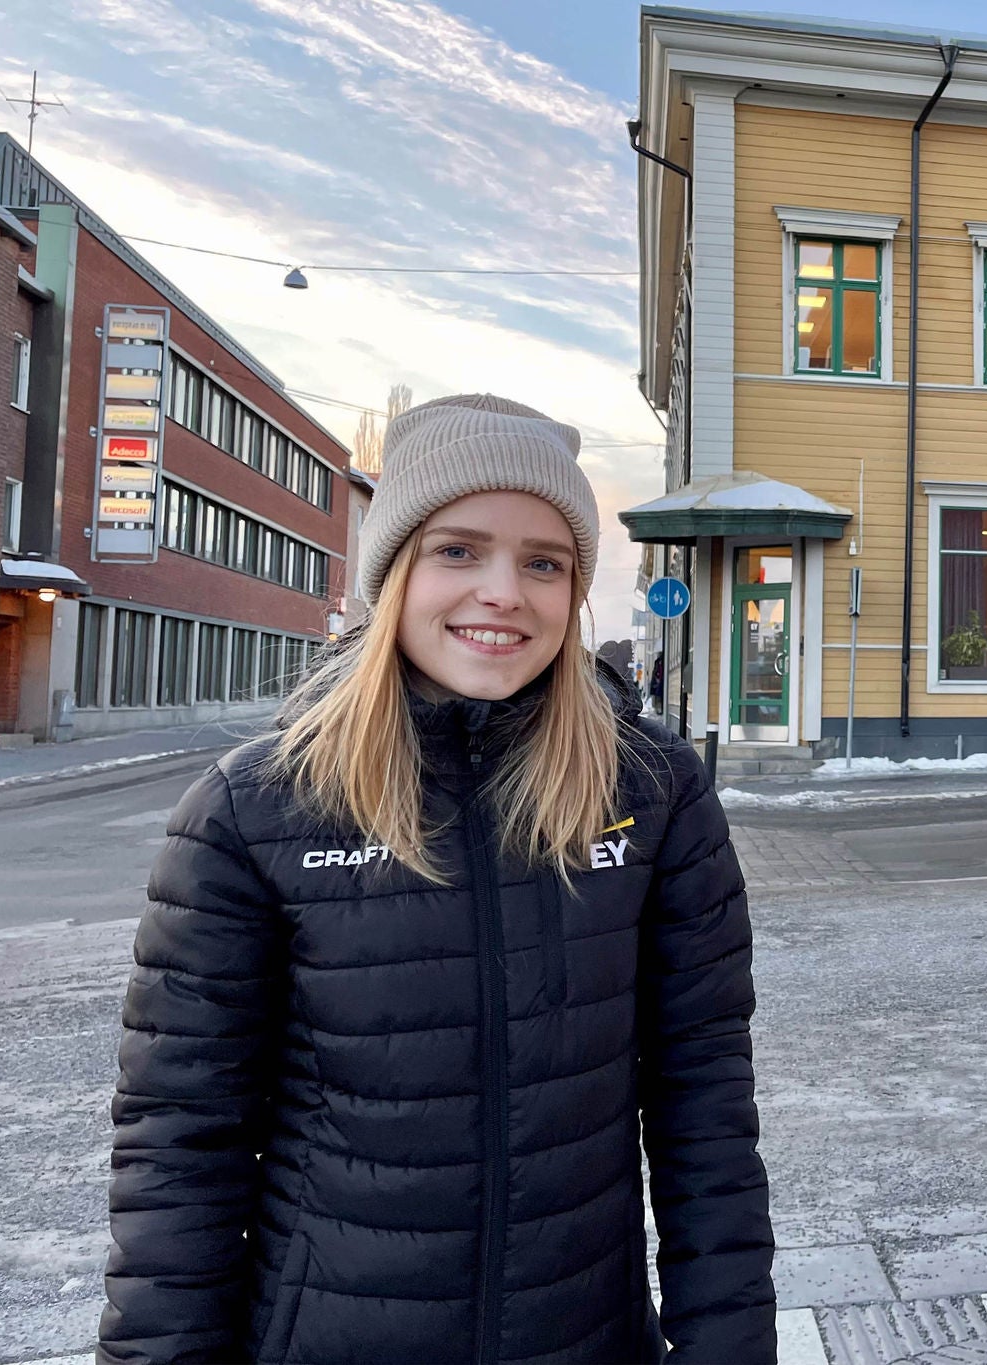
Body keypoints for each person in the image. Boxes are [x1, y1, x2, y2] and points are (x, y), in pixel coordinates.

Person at [98, 395, 775, 1364]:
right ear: (390, 573)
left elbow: (702, 1107)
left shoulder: (654, 794)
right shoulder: (254, 811)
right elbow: (180, 1149)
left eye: (543, 562)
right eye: (457, 550)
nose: (503, 591)